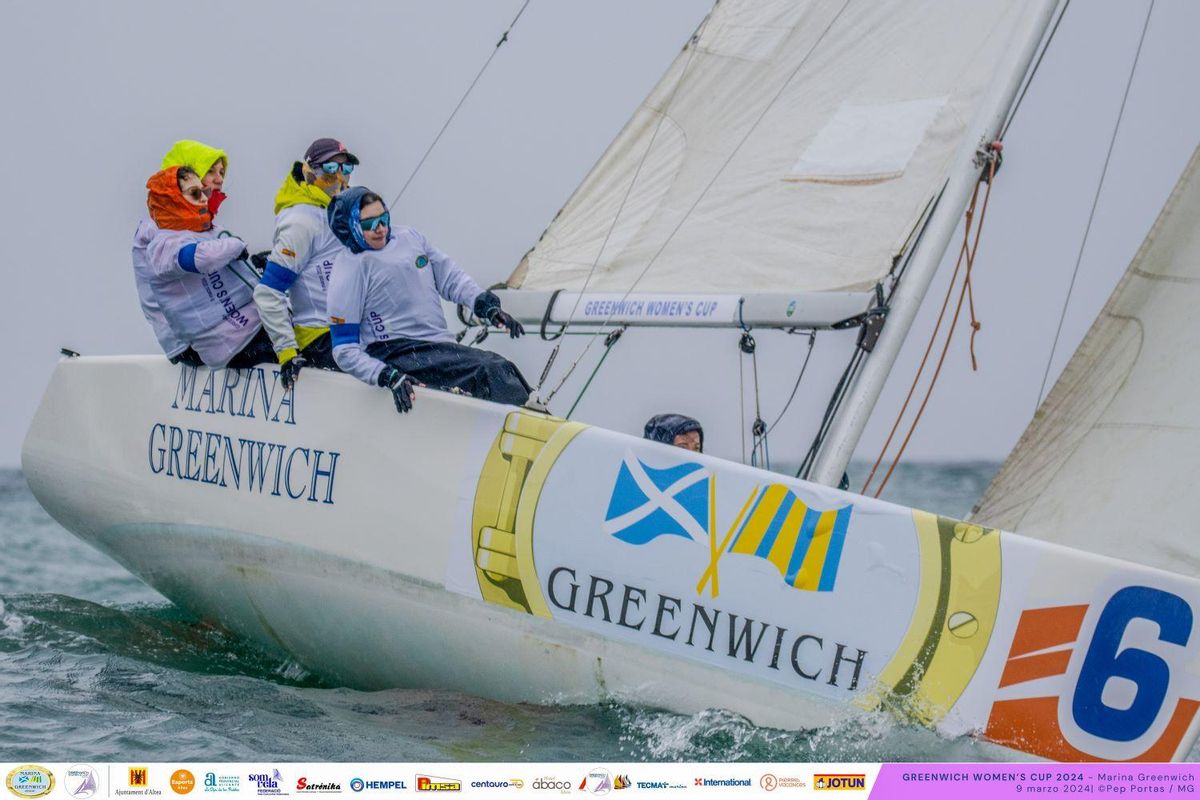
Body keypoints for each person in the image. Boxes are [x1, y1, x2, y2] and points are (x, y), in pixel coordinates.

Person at [325, 187, 531, 413]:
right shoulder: (349, 269)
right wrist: (385, 375)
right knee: (490, 370)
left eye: (384, 219)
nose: (381, 229)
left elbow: (450, 278)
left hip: (438, 347)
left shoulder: (410, 239)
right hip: (394, 352)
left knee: (503, 367)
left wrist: (486, 306)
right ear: (351, 227)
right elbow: (344, 349)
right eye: (370, 224)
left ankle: (535, 416)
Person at [144, 166, 275, 368]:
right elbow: (199, 258)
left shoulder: (206, 232)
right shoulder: (163, 245)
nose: (204, 198)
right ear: (173, 201)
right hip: (233, 343)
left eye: (204, 192)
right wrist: (235, 245)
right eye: (195, 194)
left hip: (255, 327)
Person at [253, 138, 359, 388]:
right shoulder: (302, 220)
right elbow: (268, 292)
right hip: (320, 338)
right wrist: (287, 352)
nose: (340, 176)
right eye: (332, 168)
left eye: (346, 168)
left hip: (349, 331)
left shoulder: (333, 212)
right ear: (309, 172)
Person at [132, 140, 228, 365]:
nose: (220, 179)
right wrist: (180, 344)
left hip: (202, 334)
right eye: (211, 171)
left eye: (222, 172)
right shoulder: (158, 227)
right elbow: (155, 290)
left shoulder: (198, 224)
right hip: (187, 342)